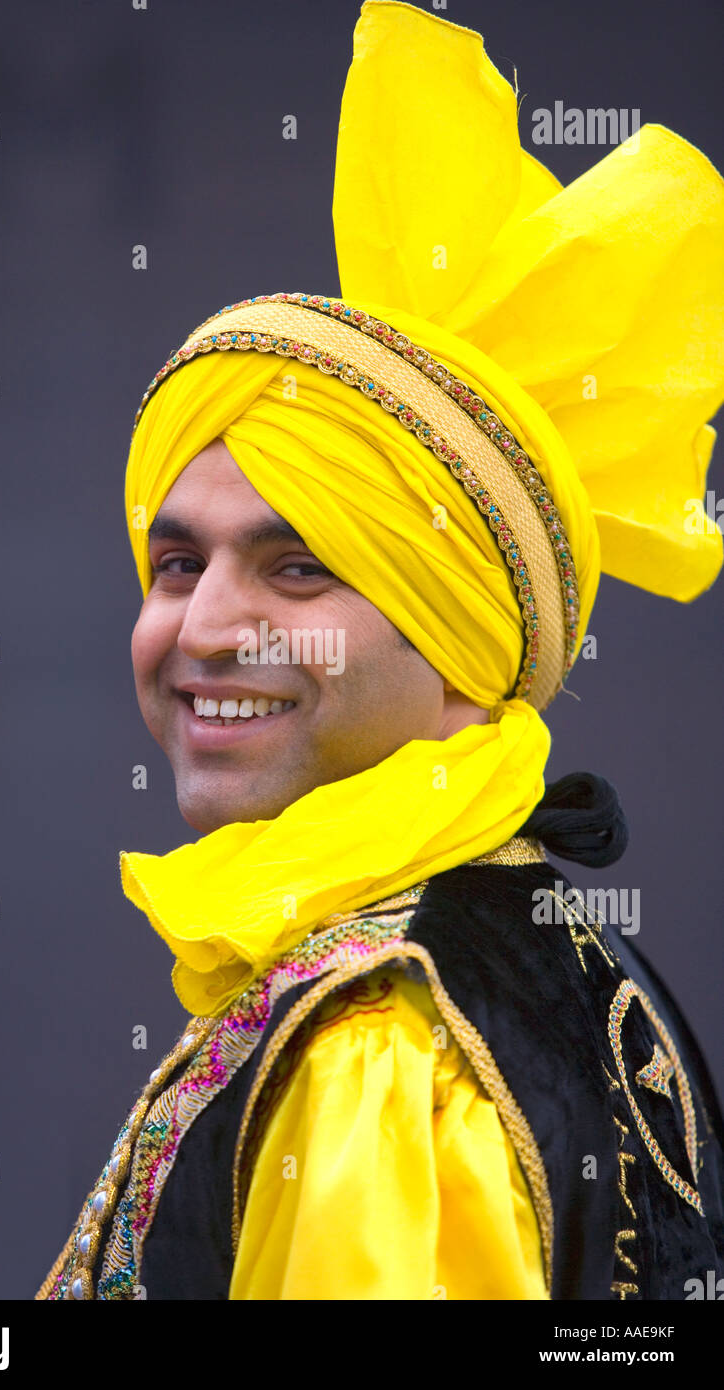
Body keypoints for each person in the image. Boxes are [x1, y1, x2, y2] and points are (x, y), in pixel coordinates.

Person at [36, 2, 724, 1300]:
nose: (202, 625)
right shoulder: (547, 958)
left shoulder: (375, 1053)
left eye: (299, 564)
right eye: (176, 562)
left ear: (464, 643)